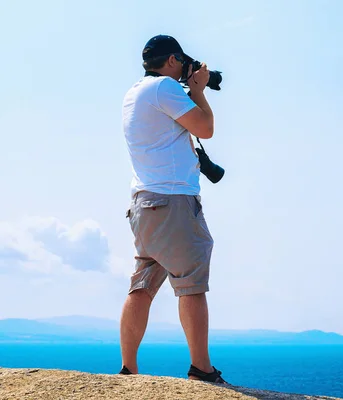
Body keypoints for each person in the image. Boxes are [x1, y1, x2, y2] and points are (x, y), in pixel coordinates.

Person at [119, 34, 227, 384]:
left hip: (145, 202)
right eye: (180, 62)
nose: (183, 68)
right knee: (191, 284)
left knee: (143, 285)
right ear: (170, 61)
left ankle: (128, 369)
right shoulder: (165, 88)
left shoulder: (135, 91)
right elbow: (206, 129)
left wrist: (193, 86)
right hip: (173, 202)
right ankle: (201, 369)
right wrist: (199, 90)